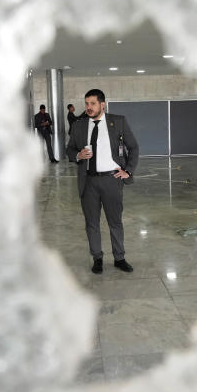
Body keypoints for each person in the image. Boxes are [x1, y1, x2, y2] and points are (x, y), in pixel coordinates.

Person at [66, 89, 139, 274]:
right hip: (88, 182)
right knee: (92, 223)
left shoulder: (118, 122)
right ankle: (97, 258)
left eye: (92, 104)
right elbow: (69, 150)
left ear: (102, 104)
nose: (88, 107)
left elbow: (134, 147)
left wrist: (128, 171)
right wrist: (77, 155)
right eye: (86, 104)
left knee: (115, 221)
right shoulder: (79, 125)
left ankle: (119, 258)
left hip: (111, 180)